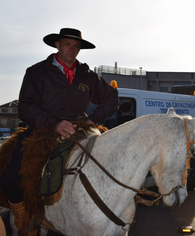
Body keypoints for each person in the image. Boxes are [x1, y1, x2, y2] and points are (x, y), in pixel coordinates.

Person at [0, 28, 119, 235]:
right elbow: (26, 107)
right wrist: (53, 124)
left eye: (76, 46)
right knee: (10, 176)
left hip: (80, 130)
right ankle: (23, 219)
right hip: (42, 131)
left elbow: (112, 98)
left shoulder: (87, 75)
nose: (72, 50)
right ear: (57, 45)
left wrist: (92, 119)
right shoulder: (36, 72)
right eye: (67, 44)